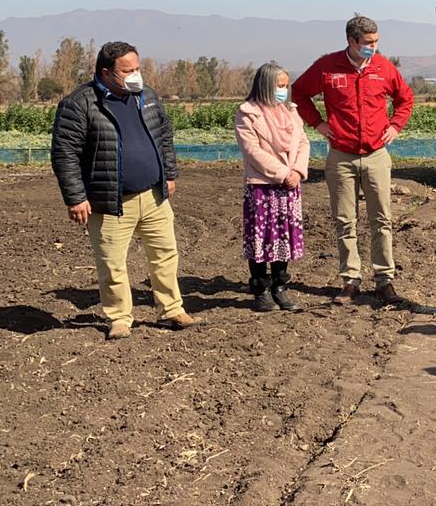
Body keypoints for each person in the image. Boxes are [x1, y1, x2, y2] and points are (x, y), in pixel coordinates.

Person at [50, 41, 199, 340]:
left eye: (137, 68)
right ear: (106, 73)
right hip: (110, 200)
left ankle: (171, 309)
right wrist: (76, 197)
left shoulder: (147, 96)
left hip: (154, 196)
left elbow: (164, 136)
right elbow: (64, 153)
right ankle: (119, 317)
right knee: (112, 262)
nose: (135, 75)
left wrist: (169, 174)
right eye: (127, 70)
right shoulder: (79, 103)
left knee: (165, 254)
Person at [292, 14, 414, 307]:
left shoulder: (384, 68)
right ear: (351, 41)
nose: (374, 47)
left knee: (381, 219)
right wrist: (319, 124)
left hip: (376, 156)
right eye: (368, 42)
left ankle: (385, 280)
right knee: (345, 220)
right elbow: (298, 93)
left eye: (376, 41)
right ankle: (350, 280)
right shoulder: (327, 67)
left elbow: (405, 99)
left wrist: (395, 126)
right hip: (341, 156)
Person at [235, 62, 310, 313]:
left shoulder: (291, 112)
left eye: (285, 85)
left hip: (290, 185)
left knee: (284, 238)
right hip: (262, 186)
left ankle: (280, 286)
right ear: (266, 85)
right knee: (261, 239)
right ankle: (260, 289)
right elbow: (252, 151)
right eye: (279, 85)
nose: (284, 90)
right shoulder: (248, 113)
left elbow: (302, 142)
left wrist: (297, 171)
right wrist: (282, 173)